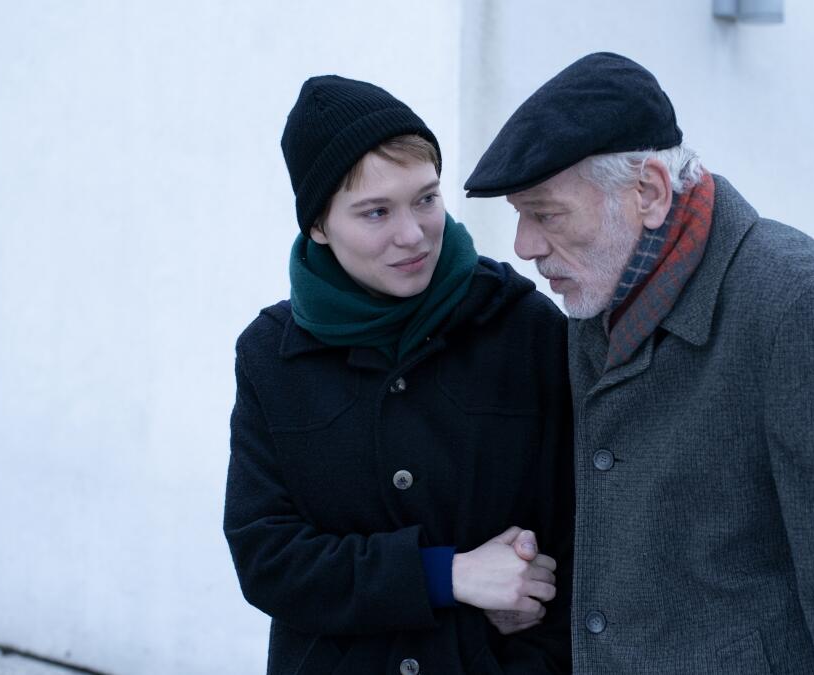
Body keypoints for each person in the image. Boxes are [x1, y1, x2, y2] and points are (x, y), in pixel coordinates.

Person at [464, 52, 814, 673]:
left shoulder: (804, 313)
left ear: (649, 193)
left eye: (547, 214)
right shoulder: (605, 288)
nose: (524, 246)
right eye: (519, 215)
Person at [223, 76, 572, 674]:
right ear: (319, 225)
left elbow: (582, 527)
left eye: (426, 198)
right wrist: (448, 575)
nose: (412, 234)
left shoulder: (523, 328)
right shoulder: (271, 357)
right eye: (376, 212)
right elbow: (268, 557)